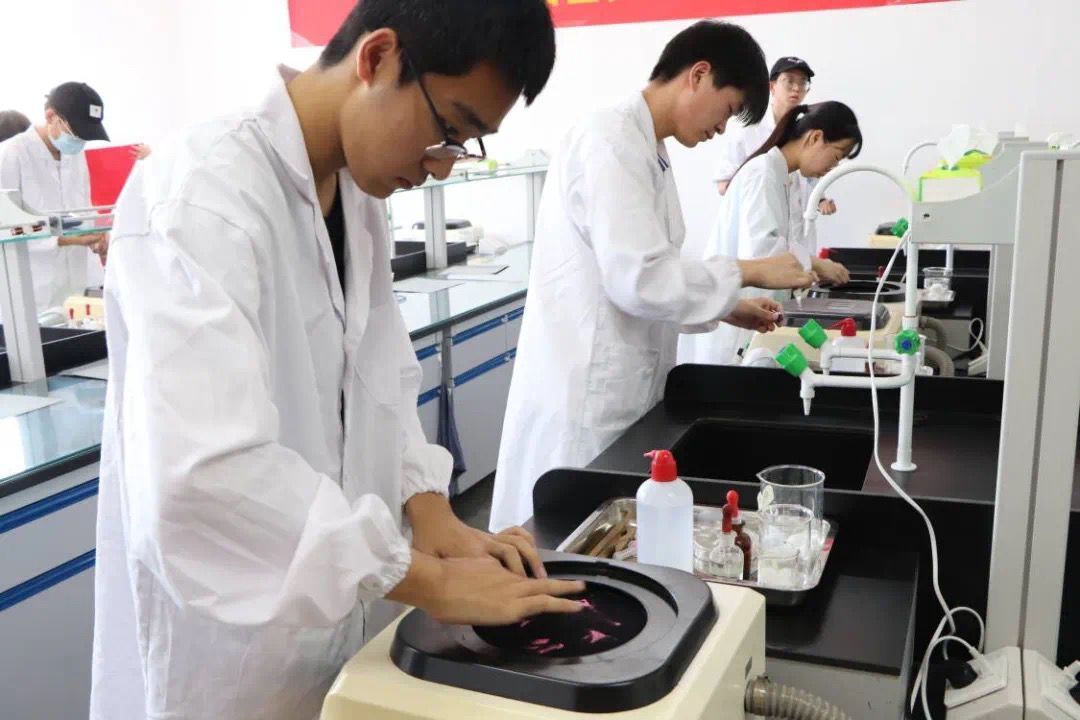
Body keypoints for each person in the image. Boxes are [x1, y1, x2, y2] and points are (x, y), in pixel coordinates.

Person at [89, 3, 584, 720]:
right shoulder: (201, 193)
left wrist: (431, 512)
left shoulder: (356, 191)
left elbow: (384, 374)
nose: (441, 164)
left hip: (348, 615)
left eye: (466, 144)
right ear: (377, 58)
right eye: (449, 129)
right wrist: (428, 580)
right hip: (237, 649)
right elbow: (204, 475)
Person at [489, 21, 818, 532]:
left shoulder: (651, 150)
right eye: (728, 109)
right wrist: (749, 270)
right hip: (587, 399)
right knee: (559, 538)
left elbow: (653, 271)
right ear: (698, 75)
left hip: (625, 388)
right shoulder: (609, 139)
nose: (722, 129)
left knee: (601, 536)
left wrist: (729, 305)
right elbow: (640, 278)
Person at [686, 102, 863, 365]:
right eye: (837, 156)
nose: (833, 166)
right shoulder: (763, 172)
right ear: (815, 137)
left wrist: (813, 266)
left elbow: (779, 242)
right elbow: (762, 251)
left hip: (752, 315)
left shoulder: (782, 174)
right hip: (735, 321)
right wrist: (814, 265)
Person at [0, 84, 109, 313]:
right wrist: (67, 239)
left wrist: (97, 237)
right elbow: (7, 227)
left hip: (77, 289)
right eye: (76, 132)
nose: (80, 141)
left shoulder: (75, 155)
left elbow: (83, 210)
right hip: (33, 289)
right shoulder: (11, 154)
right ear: (51, 117)